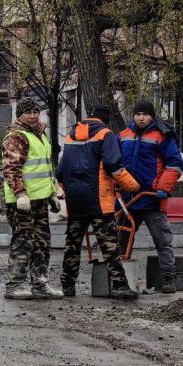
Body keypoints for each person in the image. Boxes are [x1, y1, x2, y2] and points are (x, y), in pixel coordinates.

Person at [56, 106, 141, 299]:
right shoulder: (105, 134)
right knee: (109, 244)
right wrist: (133, 186)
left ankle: (67, 285)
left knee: (73, 243)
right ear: (105, 120)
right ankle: (119, 285)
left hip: (75, 199)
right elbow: (114, 166)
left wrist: (70, 188)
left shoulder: (70, 136)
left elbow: (60, 171)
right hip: (98, 199)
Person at [1, 97, 64, 300]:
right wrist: (20, 193)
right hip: (22, 202)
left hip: (39, 200)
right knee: (23, 241)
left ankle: (40, 283)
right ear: (20, 114)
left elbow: (45, 168)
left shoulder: (39, 135)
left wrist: (52, 194)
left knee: (42, 242)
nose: (33, 115)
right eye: (28, 112)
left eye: (36, 111)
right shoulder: (16, 137)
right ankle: (15, 285)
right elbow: (11, 168)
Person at [119, 100, 183, 294]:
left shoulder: (162, 136)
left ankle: (168, 279)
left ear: (152, 116)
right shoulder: (123, 136)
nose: (140, 118)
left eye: (144, 114)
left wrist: (163, 187)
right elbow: (113, 164)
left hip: (151, 198)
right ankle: (120, 279)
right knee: (122, 239)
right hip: (128, 200)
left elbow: (174, 165)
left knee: (162, 240)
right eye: (137, 114)